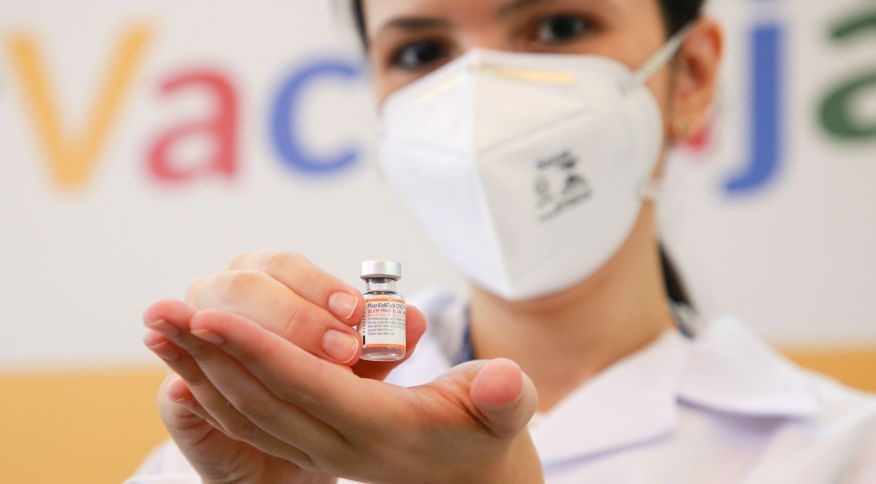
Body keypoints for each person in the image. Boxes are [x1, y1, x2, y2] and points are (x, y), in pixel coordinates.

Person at [128, 0, 876, 483]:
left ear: (693, 75)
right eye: (420, 52)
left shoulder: (843, 454)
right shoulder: (253, 441)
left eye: (558, 28)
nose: (479, 95)